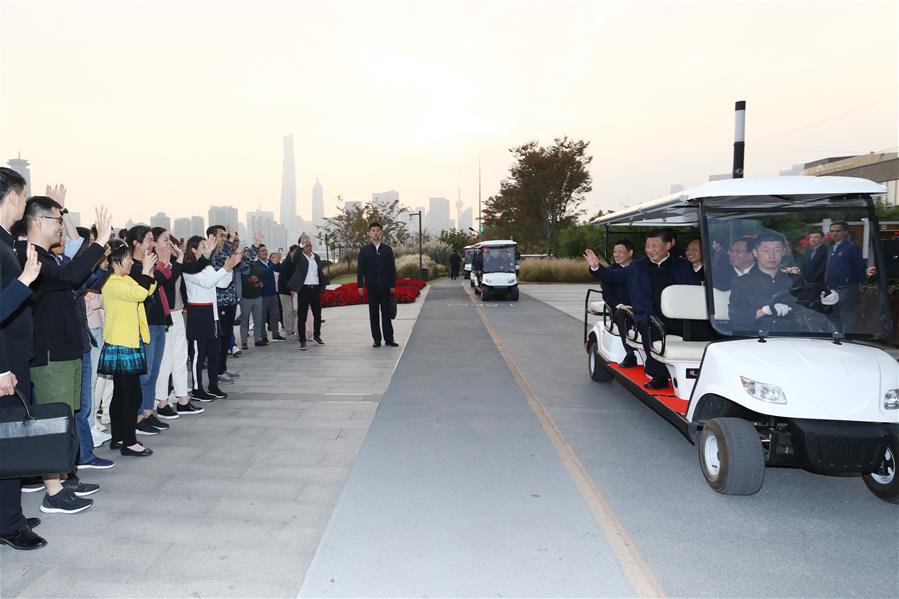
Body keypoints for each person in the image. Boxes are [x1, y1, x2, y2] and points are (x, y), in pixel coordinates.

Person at [17, 197, 111, 514]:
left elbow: (73, 271)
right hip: (50, 351)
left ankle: (64, 476)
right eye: (58, 220)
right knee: (53, 419)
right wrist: (98, 243)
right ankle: (52, 491)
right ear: (39, 221)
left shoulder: (49, 258)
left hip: (67, 348)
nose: (60, 226)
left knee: (67, 416)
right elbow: (73, 277)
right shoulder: (28, 257)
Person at [0, 167, 47, 550]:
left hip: (14, 356)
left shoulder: (4, 241)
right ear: (13, 196)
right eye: (25, 195)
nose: (25, 203)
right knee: (9, 443)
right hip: (5, 362)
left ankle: (7, 515)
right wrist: (24, 282)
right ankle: (10, 524)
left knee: (8, 443)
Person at [585, 229, 697, 389]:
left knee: (704, 330)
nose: (650, 249)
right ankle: (658, 374)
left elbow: (693, 290)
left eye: (654, 245)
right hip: (650, 315)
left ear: (668, 245)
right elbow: (616, 277)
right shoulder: (638, 267)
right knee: (648, 325)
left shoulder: (683, 266)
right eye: (647, 246)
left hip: (680, 316)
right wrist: (597, 268)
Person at [99, 240, 158, 458]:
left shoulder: (123, 280)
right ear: (117, 261)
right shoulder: (113, 283)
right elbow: (140, 294)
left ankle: (119, 437)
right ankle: (129, 442)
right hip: (121, 343)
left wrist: (147, 271)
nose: (131, 263)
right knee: (131, 395)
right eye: (128, 259)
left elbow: (148, 288)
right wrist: (144, 271)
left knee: (122, 394)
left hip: (128, 342)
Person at [183, 235, 241, 402]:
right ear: (193, 249)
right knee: (198, 355)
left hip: (212, 313)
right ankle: (197, 389)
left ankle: (213, 385)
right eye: (203, 246)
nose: (207, 248)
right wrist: (225, 268)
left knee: (214, 352)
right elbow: (208, 283)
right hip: (199, 313)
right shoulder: (189, 267)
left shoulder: (206, 266)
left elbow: (221, 284)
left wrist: (228, 269)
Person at [357, 222, 398, 348]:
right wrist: (360, 285)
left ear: (381, 233)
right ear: (369, 233)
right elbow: (360, 269)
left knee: (386, 314)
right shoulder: (364, 250)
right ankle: (377, 339)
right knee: (373, 314)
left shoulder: (387, 249)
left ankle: (389, 339)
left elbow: (392, 268)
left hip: (385, 286)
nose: (375, 232)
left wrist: (392, 284)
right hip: (371, 287)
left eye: (378, 230)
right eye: (373, 230)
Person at [825, 221, 869, 333]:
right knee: (833, 314)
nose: (834, 233)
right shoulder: (831, 248)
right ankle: (838, 336)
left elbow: (860, 266)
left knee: (847, 316)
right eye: (832, 231)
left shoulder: (851, 248)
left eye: (838, 231)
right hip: (832, 288)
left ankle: (849, 340)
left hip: (847, 287)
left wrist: (861, 283)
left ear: (845, 232)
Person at [599, 240, 637, 368]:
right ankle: (630, 354)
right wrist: (621, 305)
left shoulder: (639, 268)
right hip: (622, 308)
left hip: (640, 307)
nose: (616, 255)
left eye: (620, 251)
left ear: (630, 253)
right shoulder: (608, 272)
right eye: (615, 252)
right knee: (621, 314)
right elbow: (607, 296)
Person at [287, 239, 327, 350]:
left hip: (315, 289)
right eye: (306, 245)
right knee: (302, 316)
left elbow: (319, 272)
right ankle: (303, 341)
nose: (309, 247)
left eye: (310, 245)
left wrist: (322, 285)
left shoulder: (316, 257)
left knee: (317, 315)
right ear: (302, 247)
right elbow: (293, 258)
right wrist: (300, 245)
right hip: (304, 289)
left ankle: (317, 336)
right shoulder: (299, 257)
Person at [255, 244, 284, 343]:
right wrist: (273, 263)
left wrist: (278, 262)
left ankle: (276, 334)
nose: (265, 252)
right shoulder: (256, 264)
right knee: (262, 317)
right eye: (262, 251)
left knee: (275, 315)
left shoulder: (269, 262)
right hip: (262, 295)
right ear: (258, 253)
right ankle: (263, 336)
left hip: (273, 293)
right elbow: (264, 274)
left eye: (266, 250)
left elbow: (280, 270)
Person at [273, 244, 298, 338]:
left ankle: (292, 329)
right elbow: (285, 278)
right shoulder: (286, 263)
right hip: (284, 290)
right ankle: (288, 330)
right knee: (288, 311)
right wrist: (290, 289)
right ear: (291, 252)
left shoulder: (295, 262)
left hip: (292, 290)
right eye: (295, 252)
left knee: (293, 311)